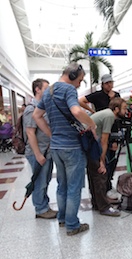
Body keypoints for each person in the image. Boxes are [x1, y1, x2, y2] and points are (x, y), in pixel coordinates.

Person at [33, 62, 97, 236]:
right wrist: (91, 123)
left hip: (56, 148)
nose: (79, 84)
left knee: (62, 185)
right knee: (74, 187)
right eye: (80, 80)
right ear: (72, 75)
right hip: (72, 148)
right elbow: (76, 112)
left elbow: (36, 116)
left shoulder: (48, 91)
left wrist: (51, 134)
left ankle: (62, 218)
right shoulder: (68, 89)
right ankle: (72, 225)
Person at [78, 73, 121, 197]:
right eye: (107, 83)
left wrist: (115, 140)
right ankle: (104, 187)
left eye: (111, 83)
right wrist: (92, 112)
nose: (110, 85)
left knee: (111, 159)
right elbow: (81, 101)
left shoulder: (116, 95)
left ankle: (108, 183)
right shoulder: (98, 95)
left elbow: (118, 113)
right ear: (102, 84)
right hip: (101, 130)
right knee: (103, 157)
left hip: (112, 128)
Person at [87, 97, 128, 217]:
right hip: (91, 145)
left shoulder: (106, 113)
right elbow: (104, 140)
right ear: (116, 109)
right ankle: (104, 207)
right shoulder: (109, 116)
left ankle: (97, 203)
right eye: (124, 108)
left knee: (94, 175)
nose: (126, 111)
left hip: (88, 144)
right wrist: (102, 161)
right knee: (101, 174)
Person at [24, 78, 57, 219]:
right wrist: (37, 154)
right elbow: (30, 132)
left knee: (45, 180)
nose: (48, 91)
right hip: (37, 152)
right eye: (46, 88)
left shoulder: (42, 108)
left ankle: (44, 205)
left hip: (47, 151)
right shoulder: (31, 109)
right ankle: (40, 208)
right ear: (37, 89)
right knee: (40, 181)